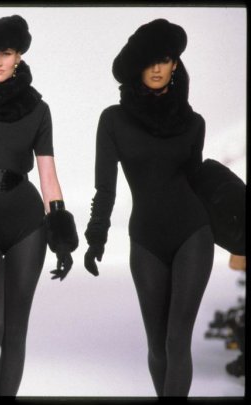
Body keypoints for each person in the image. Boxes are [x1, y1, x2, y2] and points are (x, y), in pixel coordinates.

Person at [0, 15, 78, 396]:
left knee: (16, 330)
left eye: (5, 53)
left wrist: (61, 234)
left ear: (18, 55)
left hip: (27, 225)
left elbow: (47, 175)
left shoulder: (38, 109)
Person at [83, 19, 214, 396]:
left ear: (176, 65)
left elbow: (196, 183)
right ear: (136, 67)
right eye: (149, 61)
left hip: (193, 233)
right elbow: (105, 187)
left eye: (165, 59)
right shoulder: (113, 120)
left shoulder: (193, 123)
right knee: (157, 346)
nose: (157, 68)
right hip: (145, 239)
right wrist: (96, 236)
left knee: (177, 340)